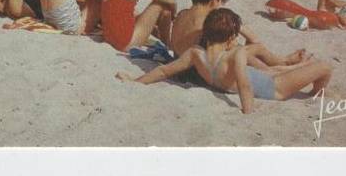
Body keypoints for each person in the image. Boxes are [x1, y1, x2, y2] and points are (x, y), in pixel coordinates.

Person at [117, 8, 333, 114]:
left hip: (264, 78)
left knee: (273, 67)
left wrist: (136, 81)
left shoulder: (195, 53)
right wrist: (248, 111)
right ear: (231, 38)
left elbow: (164, 71)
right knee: (325, 67)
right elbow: (244, 84)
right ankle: (315, 93)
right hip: (275, 88)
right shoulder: (236, 54)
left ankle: (296, 65)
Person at [170, 0, 306, 68]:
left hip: (177, 64)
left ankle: (281, 62)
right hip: (195, 71)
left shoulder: (182, 15)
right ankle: (282, 63)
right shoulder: (206, 24)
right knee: (242, 48)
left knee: (235, 45)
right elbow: (253, 41)